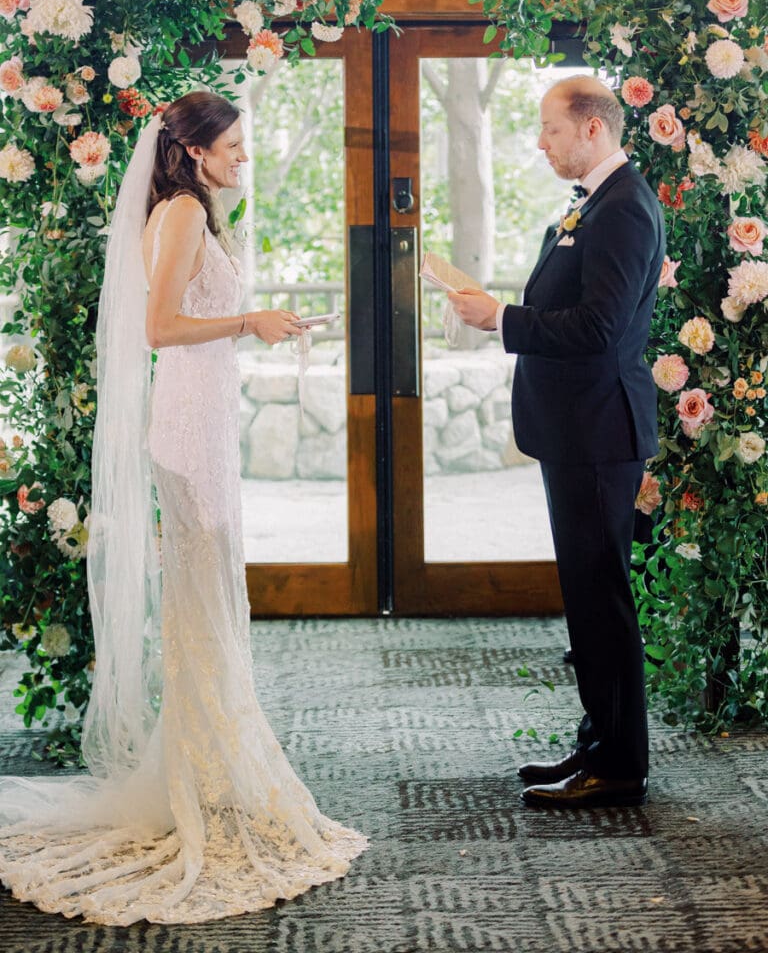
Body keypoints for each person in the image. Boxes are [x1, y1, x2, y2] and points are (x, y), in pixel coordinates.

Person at [0, 91, 367, 924]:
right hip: (187, 430)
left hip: (203, 423)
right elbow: (160, 328)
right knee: (200, 607)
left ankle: (209, 768)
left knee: (207, 605)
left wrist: (258, 324)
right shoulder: (179, 217)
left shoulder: (196, 213)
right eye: (232, 145)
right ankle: (200, 780)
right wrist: (249, 320)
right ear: (194, 151)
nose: (244, 155)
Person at [449, 75, 664, 809]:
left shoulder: (623, 209)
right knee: (586, 596)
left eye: (550, 128)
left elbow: (601, 328)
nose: (540, 142)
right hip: (579, 428)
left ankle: (621, 768)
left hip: (600, 430)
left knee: (601, 597)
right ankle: (596, 745)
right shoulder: (597, 204)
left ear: (592, 130)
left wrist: (501, 320)